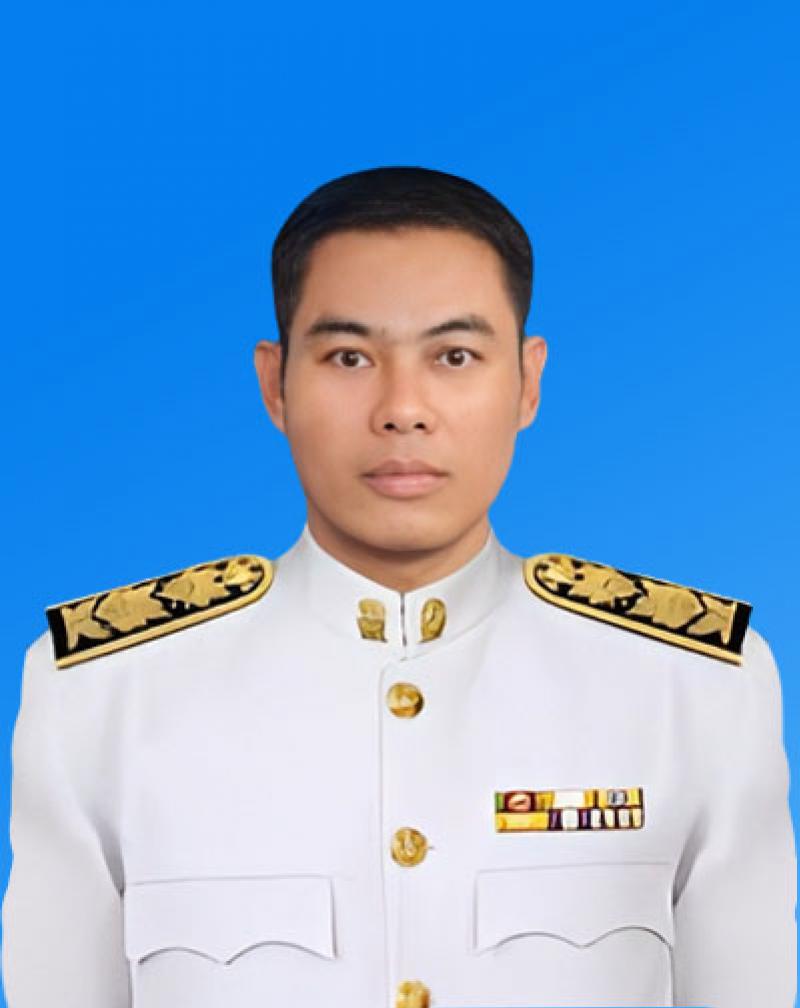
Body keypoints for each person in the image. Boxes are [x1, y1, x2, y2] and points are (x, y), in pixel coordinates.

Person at [2, 166, 795, 1008]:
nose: (402, 409)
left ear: (528, 381)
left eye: (454, 356)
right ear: (275, 384)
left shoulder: (692, 687)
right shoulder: (104, 696)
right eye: (349, 357)